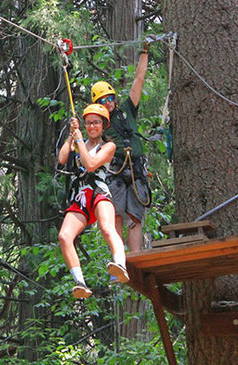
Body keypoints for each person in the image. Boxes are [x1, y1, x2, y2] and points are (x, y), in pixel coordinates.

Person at [58, 104, 129, 299]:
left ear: (104, 125)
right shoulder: (78, 141)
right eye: (88, 123)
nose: (91, 127)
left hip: (99, 191)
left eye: (96, 122)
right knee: (64, 236)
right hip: (80, 195)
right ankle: (79, 282)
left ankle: (120, 264)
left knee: (107, 228)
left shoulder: (109, 146)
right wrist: (72, 136)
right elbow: (62, 158)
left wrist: (79, 140)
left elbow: (90, 165)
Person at [91, 39, 152, 258]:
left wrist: (144, 52)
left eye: (110, 98)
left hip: (136, 170)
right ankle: (119, 259)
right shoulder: (98, 123)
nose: (108, 102)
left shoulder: (127, 110)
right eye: (103, 100)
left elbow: (139, 80)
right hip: (115, 172)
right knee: (116, 216)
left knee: (134, 217)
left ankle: (135, 258)